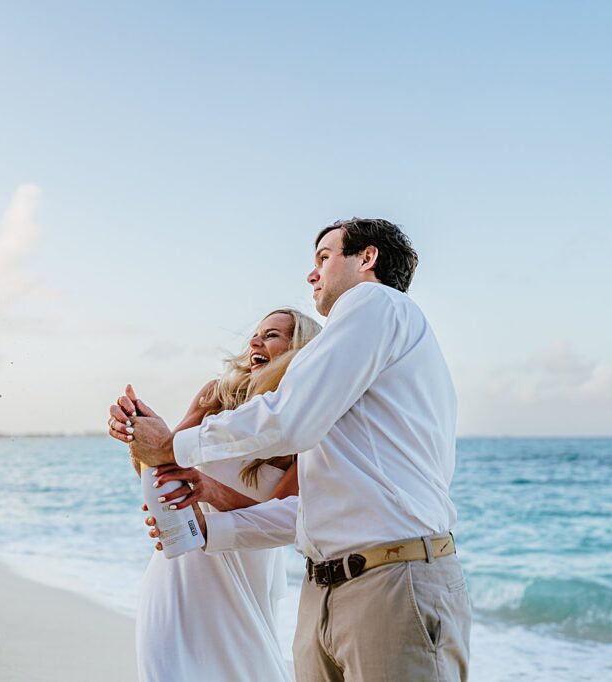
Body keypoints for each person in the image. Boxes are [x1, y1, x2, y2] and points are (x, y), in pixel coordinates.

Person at [110, 218, 472, 681]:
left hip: (391, 578)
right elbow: (301, 510)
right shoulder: (345, 383)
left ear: (367, 259)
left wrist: (173, 445)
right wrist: (207, 529)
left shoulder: (375, 300)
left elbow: (290, 419)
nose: (311, 274)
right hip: (326, 585)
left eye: (324, 257)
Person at [117, 308, 321, 682]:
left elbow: (290, 515)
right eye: (257, 334)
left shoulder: (305, 424)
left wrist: (210, 490)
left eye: (272, 335)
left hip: (243, 572)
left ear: (300, 349)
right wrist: (138, 435)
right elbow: (163, 462)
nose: (255, 341)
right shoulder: (216, 397)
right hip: (177, 568)